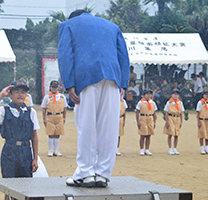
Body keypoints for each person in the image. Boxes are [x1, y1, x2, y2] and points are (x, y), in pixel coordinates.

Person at [58, 10, 129, 187]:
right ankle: (103, 174)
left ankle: (85, 173)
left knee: (87, 124)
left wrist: (69, 84)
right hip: (113, 77)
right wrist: (123, 83)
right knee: (109, 127)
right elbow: (123, 56)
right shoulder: (113, 26)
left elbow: (66, 56)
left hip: (86, 76)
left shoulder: (68, 25)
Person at [0, 80, 39, 179]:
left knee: (26, 185)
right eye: (17, 92)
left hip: (26, 152)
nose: (20, 95)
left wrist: (35, 158)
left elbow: (34, 136)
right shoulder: (5, 110)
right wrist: (1, 94)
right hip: (10, 152)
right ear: (10, 95)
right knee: (9, 185)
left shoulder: (31, 112)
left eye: (23, 92)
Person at [41, 81, 67, 157]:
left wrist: (64, 117)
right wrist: (44, 119)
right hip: (50, 116)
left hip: (59, 116)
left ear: (58, 88)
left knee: (58, 134)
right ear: (50, 88)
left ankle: (56, 150)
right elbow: (44, 109)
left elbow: (65, 108)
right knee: (50, 134)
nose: (54, 89)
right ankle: (50, 150)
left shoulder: (62, 97)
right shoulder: (47, 97)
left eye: (55, 87)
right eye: (53, 87)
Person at [136, 89, 157, 156]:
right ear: (143, 95)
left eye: (150, 94)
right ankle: (142, 149)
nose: (148, 95)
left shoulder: (152, 103)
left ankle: (147, 149)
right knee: (143, 135)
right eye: (147, 94)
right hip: (143, 118)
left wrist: (154, 121)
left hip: (150, 118)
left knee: (149, 135)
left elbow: (154, 113)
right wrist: (138, 121)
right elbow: (137, 112)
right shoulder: (141, 102)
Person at [163, 89, 184, 155]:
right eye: (174, 94)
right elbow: (166, 112)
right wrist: (167, 121)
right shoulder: (169, 102)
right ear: (172, 95)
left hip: (177, 118)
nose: (176, 95)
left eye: (177, 94)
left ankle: (175, 148)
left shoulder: (180, 103)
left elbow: (181, 113)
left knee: (176, 134)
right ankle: (170, 148)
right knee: (170, 133)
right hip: (171, 118)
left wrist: (181, 121)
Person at [196, 90, 208, 155]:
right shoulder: (200, 103)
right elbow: (198, 113)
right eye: (205, 94)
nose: (207, 96)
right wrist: (198, 121)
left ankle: (207, 148)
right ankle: (202, 148)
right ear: (203, 95)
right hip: (202, 120)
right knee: (202, 134)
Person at [117, 90, 128, 156]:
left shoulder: (123, 101)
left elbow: (125, 112)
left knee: (119, 134)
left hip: (120, 118)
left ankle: (117, 149)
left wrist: (124, 120)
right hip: (113, 118)